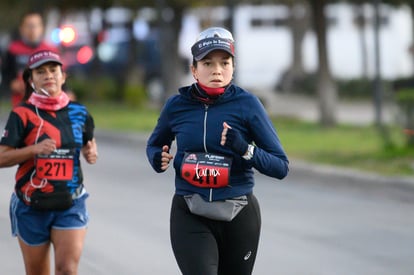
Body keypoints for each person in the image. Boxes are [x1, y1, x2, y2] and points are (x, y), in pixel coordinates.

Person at [146, 27, 289, 275]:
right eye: (207, 63)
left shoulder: (248, 105)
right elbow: (155, 144)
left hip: (239, 213)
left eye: (225, 62)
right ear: (194, 69)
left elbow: (280, 167)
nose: (217, 70)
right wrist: (157, 158)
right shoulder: (177, 106)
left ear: (233, 66)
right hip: (190, 210)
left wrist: (244, 149)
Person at [0, 49, 98, 275]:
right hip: (31, 204)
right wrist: (34, 149)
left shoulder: (79, 112)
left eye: (53, 70)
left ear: (63, 76)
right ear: (31, 80)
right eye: (40, 72)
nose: (48, 75)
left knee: (67, 269)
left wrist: (90, 151)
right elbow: (2, 157)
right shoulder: (22, 114)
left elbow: (87, 142)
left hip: (70, 202)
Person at [1, 11, 59, 106]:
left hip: (46, 103)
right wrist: (12, 83)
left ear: (42, 28)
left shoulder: (51, 51)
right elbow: (6, 74)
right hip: (21, 103)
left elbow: (60, 76)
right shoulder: (13, 50)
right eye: (29, 26)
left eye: (36, 25)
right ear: (21, 28)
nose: (33, 30)